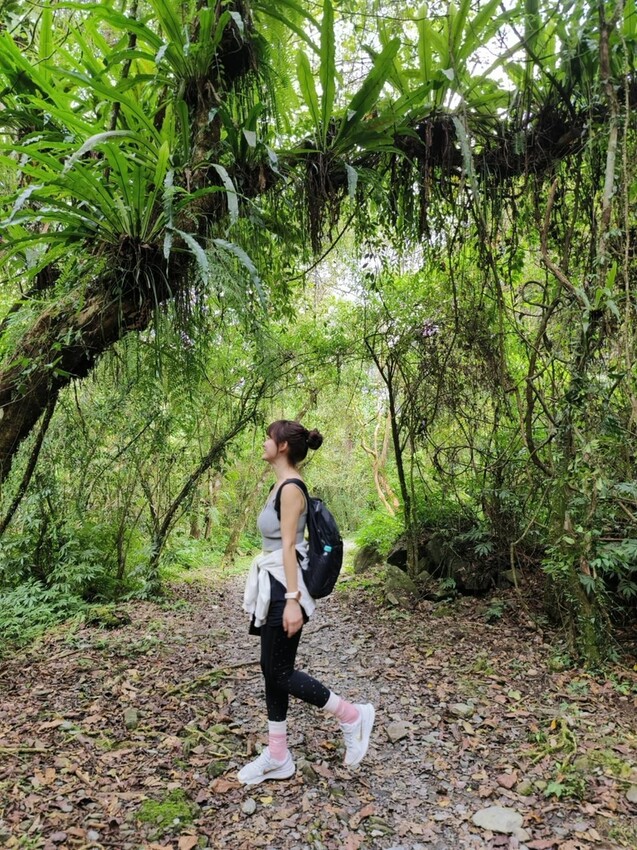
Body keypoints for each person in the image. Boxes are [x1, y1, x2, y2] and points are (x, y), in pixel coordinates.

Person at [239, 419, 375, 786]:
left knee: (280, 670)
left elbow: (287, 547)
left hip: (287, 588)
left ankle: (351, 715)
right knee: (271, 668)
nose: (265, 442)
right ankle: (278, 755)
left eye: (270, 437)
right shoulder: (279, 484)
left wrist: (295, 600)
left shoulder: (291, 489)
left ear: (283, 446)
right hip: (275, 584)